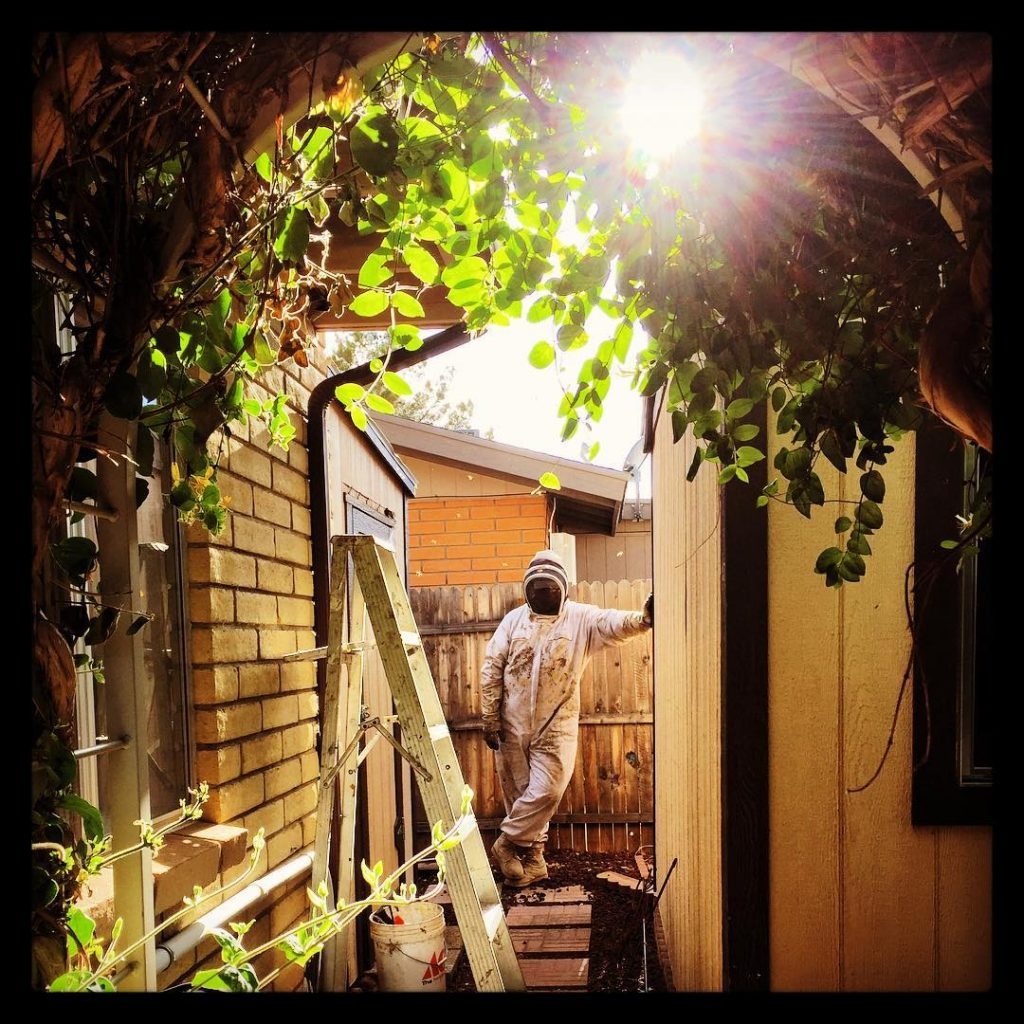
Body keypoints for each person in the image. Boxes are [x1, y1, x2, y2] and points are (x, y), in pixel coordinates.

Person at [481, 549, 653, 886]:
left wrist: (643, 620)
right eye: (538, 588)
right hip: (511, 723)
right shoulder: (513, 621)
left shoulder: (580, 618)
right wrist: (489, 717)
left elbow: (612, 622)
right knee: (519, 794)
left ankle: (505, 844)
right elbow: (491, 668)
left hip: (556, 724)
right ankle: (533, 859)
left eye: (550, 588)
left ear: (564, 589)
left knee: (548, 790)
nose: (544, 594)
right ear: (527, 589)